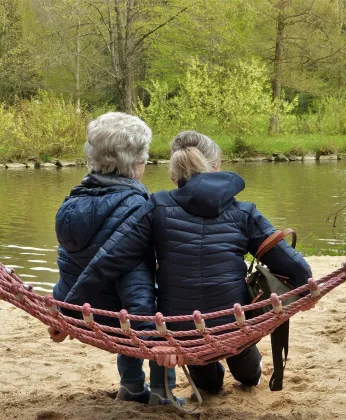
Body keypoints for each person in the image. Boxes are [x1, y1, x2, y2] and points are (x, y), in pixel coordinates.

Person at [66, 130, 313, 395]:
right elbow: (295, 268)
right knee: (245, 363)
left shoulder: (156, 206)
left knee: (208, 383)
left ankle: (213, 371)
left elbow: (110, 260)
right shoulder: (244, 212)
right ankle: (247, 369)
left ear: (174, 173)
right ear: (216, 165)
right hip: (234, 324)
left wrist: (66, 311)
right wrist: (307, 290)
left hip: (182, 333)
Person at [49, 112, 183, 406]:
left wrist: (62, 310)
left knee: (126, 307)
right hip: (123, 315)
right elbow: (137, 281)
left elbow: (70, 264)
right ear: (136, 164)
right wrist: (152, 338)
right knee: (165, 302)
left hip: (84, 310)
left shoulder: (71, 202)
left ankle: (131, 386)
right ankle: (163, 391)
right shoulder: (138, 206)